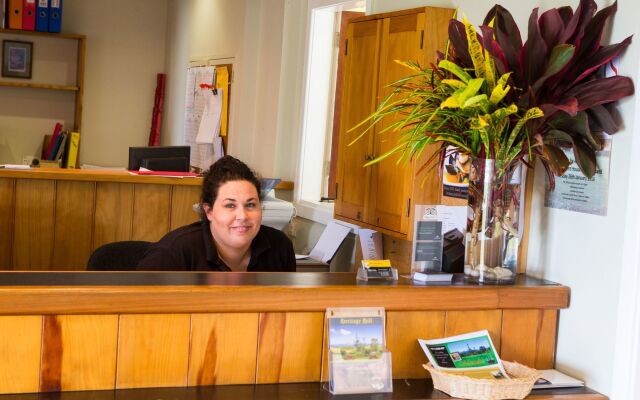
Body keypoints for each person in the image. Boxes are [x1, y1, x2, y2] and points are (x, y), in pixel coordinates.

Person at [137, 156, 296, 271]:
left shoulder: (280, 248)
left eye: (250, 205)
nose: (242, 215)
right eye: (230, 205)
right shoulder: (172, 253)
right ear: (209, 211)